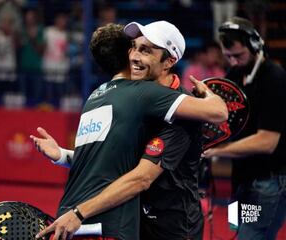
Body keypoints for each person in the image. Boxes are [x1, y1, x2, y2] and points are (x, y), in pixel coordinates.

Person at [32, 22, 227, 240]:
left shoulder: (184, 114)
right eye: (133, 47)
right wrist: (63, 155)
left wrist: (78, 213)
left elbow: (141, 178)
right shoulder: (134, 99)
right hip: (137, 220)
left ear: (169, 61)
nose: (134, 56)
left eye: (146, 50)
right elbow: (114, 159)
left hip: (173, 228)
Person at [203, 17, 286, 240]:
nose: (234, 61)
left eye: (238, 55)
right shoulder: (234, 77)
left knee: (250, 236)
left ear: (255, 46)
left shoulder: (274, 78)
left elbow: (267, 142)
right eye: (228, 57)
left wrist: (217, 150)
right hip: (240, 179)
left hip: (267, 182)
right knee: (237, 231)